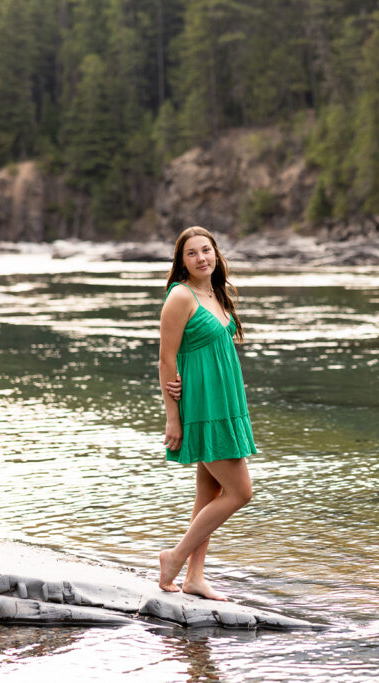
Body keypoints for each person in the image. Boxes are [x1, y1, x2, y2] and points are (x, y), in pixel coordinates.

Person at [157, 226, 257, 601]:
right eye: (192, 254)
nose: (202, 258)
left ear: (216, 253)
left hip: (225, 401)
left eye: (207, 250)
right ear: (181, 263)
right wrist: (173, 416)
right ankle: (175, 557)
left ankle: (194, 577)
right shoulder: (180, 296)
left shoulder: (216, 292)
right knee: (241, 492)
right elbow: (167, 360)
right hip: (203, 404)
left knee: (209, 493)